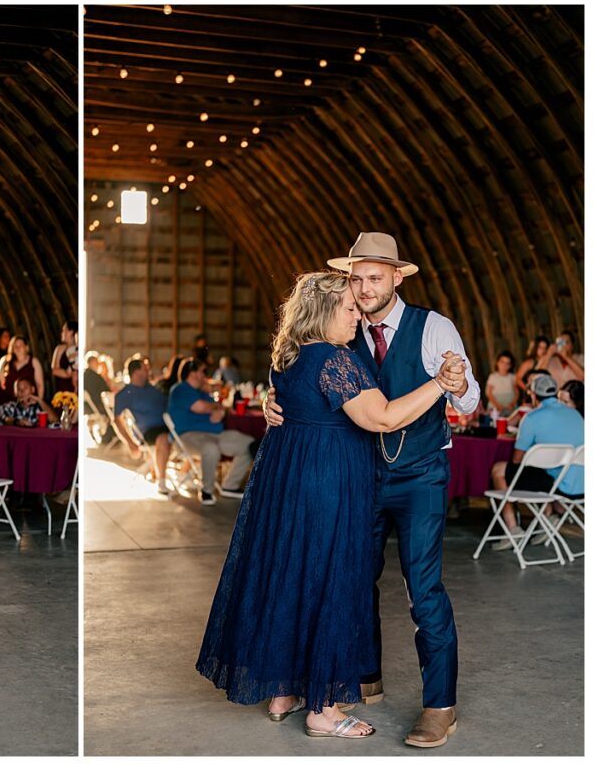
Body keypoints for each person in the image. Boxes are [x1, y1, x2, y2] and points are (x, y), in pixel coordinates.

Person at [198, 271, 463, 739]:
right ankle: (325, 710)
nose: (357, 313)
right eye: (348, 307)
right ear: (324, 312)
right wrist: (439, 383)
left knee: (292, 575)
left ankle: (284, 691)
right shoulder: (334, 358)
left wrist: (270, 398)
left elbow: (295, 397)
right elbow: (383, 417)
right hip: (328, 483)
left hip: (292, 483)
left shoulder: (290, 354)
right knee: (331, 583)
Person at [267, 233, 479, 747]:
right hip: (356, 477)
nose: (362, 289)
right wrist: (274, 403)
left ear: (397, 277)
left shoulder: (434, 327)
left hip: (419, 475)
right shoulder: (337, 325)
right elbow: (294, 380)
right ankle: (358, 678)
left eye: (374, 279)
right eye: (356, 279)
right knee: (348, 580)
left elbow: (469, 402)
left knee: (422, 589)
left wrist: (453, 380)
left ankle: (439, 705)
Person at [488, 373, 584, 550]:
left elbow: (517, 460)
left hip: (559, 486)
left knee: (499, 469)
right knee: (541, 471)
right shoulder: (576, 415)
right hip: (583, 484)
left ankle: (512, 529)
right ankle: (547, 518)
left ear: (533, 395)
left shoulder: (532, 417)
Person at [167, 359, 254, 505]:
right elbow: (200, 407)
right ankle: (207, 490)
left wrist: (219, 410)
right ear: (193, 373)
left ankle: (230, 485)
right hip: (188, 436)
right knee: (210, 448)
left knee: (248, 444)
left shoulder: (202, 391)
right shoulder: (180, 389)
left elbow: (219, 408)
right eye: (203, 372)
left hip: (216, 434)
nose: (205, 376)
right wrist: (215, 408)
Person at [114, 356, 170, 494]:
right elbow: (117, 420)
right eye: (145, 369)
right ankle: (162, 481)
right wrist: (130, 443)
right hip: (148, 431)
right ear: (136, 372)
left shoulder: (152, 388)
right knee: (163, 438)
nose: (148, 371)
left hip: (169, 424)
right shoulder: (125, 394)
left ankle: (187, 473)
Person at [0, 334, 45, 401]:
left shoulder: (33, 361)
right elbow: (1, 381)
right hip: (11, 402)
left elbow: (40, 385)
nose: (18, 347)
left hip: (29, 401)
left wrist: (38, 402)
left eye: (20, 345)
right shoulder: (8, 363)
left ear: (26, 347)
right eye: (15, 346)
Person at [485, 351, 517, 417]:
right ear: (497, 362)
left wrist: (513, 403)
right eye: (502, 362)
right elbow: (488, 393)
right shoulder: (493, 376)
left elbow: (516, 392)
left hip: (509, 407)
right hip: (496, 406)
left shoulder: (512, 377)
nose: (504, 365)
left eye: (507, 363)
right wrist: (497, 405)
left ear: (511, 365)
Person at [50, 320, 79, 393]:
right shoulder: (60, 348)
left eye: (64, 330)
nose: (61, 333)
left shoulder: (79, 349)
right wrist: (68, 372)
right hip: (63, 388)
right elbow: (54, 370)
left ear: (71, 332)